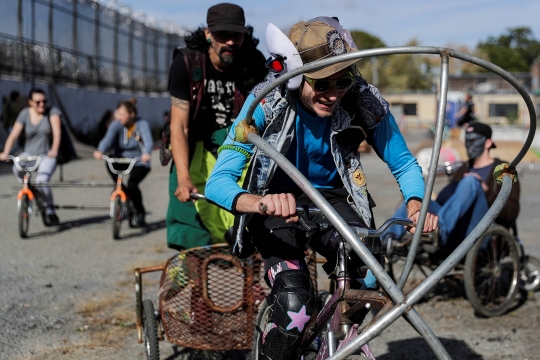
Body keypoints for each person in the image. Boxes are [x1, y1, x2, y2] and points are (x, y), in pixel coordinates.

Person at [205, 18, 438, 360]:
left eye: (342, 80)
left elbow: (403, 162)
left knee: (371, 274)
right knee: (294, 303)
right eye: (322, 83)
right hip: (274, 201)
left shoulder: (361, 100)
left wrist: (416, 203)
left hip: (333, 199)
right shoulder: (265, 104)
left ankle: (339, 338)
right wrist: (260, 203)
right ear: (297, 74)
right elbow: (218, 182)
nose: (333, 94)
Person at [166, 3, 267, 250]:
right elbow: (178, 127)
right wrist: (183, 178)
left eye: (237, 35)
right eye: (223, 35)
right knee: (191, 229)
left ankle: (250, 286)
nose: (231, 42)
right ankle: (191, 282)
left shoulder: (254, 62)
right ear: (208, 34)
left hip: (240, 150)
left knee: (249, 227)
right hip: (194, 151)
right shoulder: (187, 63)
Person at [385, 122, 520, 250]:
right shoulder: (464, 168)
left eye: (473, 141)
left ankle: (440, 229)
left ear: (488, 143)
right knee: (416, 204)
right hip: (456, 227)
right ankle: (384, 240)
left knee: (471, 181)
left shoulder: (503, 169)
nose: (469, 146)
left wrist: (485, 189)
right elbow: (443, 200)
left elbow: (512, 212)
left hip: (481, 227)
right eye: (467, 141)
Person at [0, 88, 61, 226]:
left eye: (44, 101)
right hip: (29, 153)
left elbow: (57, 133)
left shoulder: (52, 112)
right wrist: (5, 152)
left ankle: (50, 209)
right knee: (17, 168)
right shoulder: (24, 114)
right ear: (30, 102)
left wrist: (54, 149)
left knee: (42, 180)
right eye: (38, 102)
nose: (42, 105)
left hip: (46, 154)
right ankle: (29, 190)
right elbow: (13, 135)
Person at [93, 99, 154, 228]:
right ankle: (123, 195)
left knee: (132, 184)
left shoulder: (141, 124)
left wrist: (146, 153)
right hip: (121, 159)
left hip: (138, 160)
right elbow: (107, 140)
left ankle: (139, 211)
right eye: (118, 114)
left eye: (122, 114)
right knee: (112, 168)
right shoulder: (116, 125)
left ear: (132, 114)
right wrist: (100, 150)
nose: (119, 117)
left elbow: (148, 141)